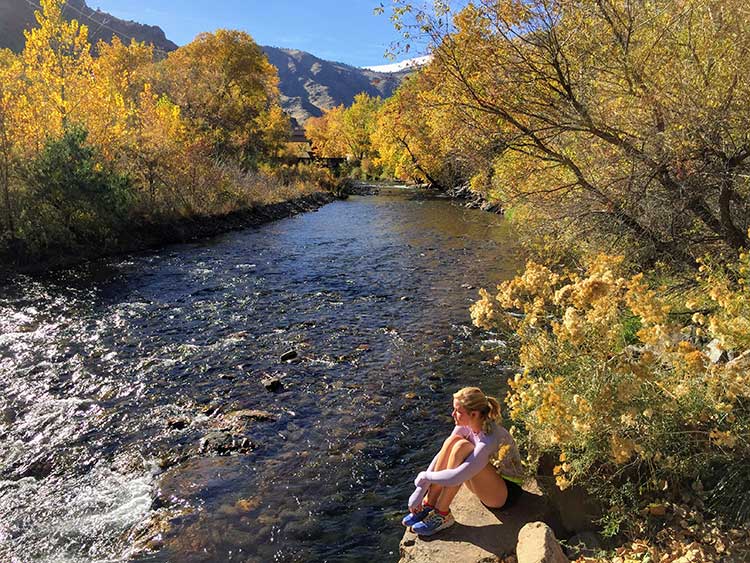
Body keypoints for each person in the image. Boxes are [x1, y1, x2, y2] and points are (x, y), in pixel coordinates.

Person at [402, 386, 524, 536]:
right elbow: (442, 455)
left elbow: (457, 477)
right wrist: (421, 490)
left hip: (503, 494)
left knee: (463, 447)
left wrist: (425, 477)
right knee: (454, 442)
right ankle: (429, 503)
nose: (453, 414)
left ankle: (442, 514)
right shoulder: (466, 425)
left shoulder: (489, 437)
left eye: (458, 411)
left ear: (473, 414)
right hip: (486, 482)